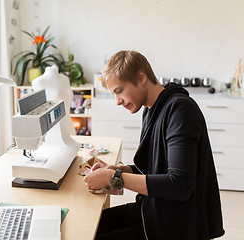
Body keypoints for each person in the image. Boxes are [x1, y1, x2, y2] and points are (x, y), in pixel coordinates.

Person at [84, 50, 225, 239]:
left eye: (119, 91)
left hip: (173, 226)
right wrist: (119, 169)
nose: (117, 101)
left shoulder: (180, 110)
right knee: (87, 227)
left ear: (141, 77)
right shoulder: (151, 109)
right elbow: (156, 168)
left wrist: (114, 177)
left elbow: (179, 184)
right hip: (152, 211)